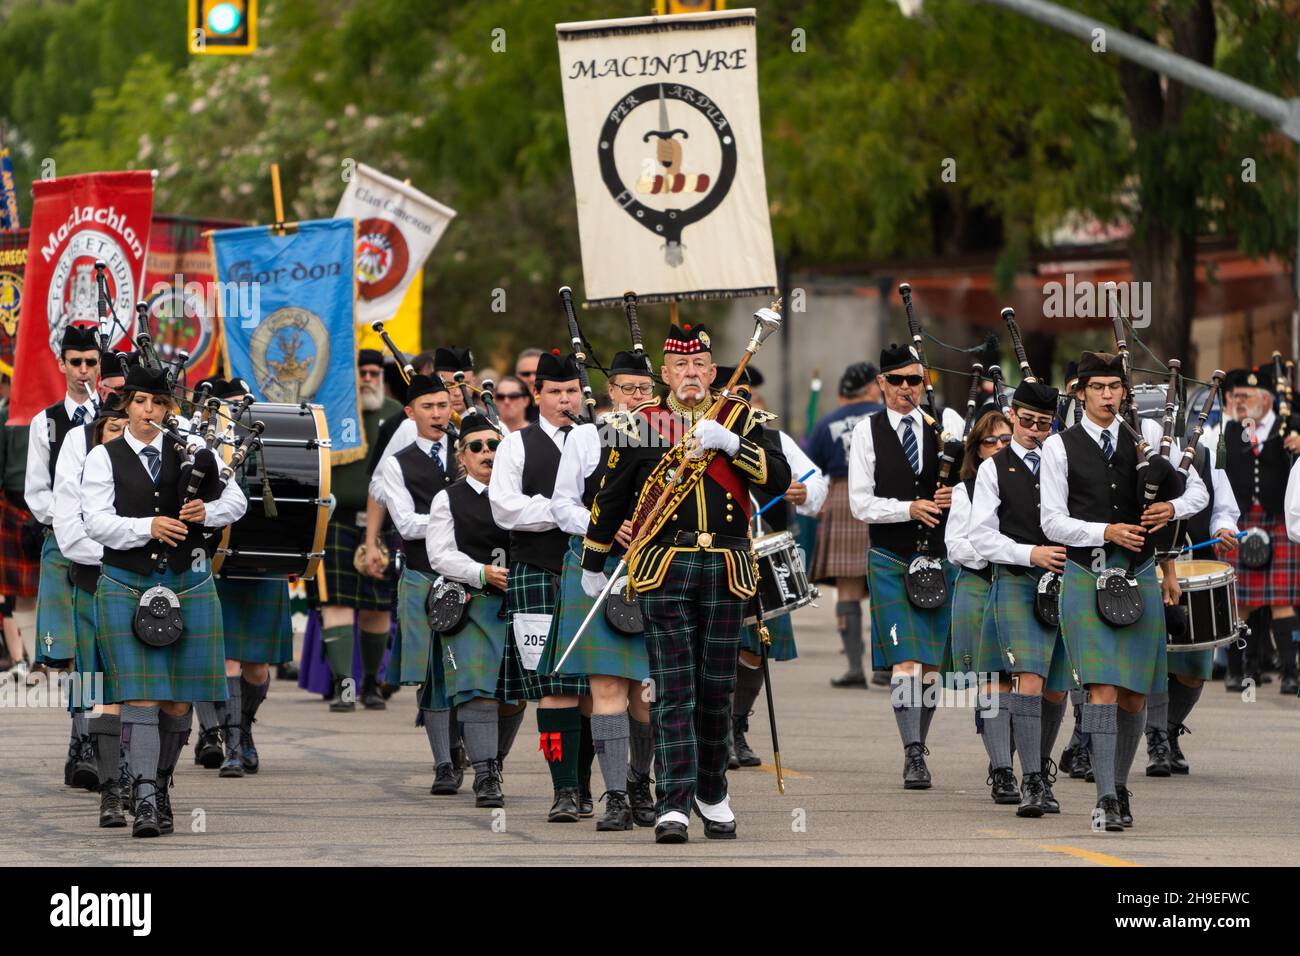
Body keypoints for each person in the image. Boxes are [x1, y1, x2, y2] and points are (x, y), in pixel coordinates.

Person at [581, 323, 791, 844]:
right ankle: (673, 801)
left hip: (727, 565)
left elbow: (780, 479)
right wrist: (593, 559)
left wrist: (731, 446)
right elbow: (608, 496)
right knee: (672, 689)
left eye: (700, 365)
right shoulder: (638, 426)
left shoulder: (740, 419)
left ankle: (712, 792)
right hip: (664, 565)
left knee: (715, 689)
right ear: (666, 374)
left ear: (712, 371)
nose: (691, 374)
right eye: (681, 367)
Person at [1039, 351, 1207, 831]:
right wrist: (1105, 531)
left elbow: (1198, 492)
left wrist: (1170, 510)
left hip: (1139, 573)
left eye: (1115, 387)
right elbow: (1051, 520)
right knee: (1102, 689)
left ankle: (1119, 781)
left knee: (1135, 694)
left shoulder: (1149, 436)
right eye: (1098, 387)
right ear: (1080, 392)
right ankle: (1106, 796)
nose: (1108, 395)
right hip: (1087, 573)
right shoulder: (1059, 447)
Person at [82, 364, 248, 837]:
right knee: (140, 695)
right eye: (138, 402)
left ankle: (157, 782)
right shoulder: (103, 457)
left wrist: (207, 511)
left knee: (177, 702)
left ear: (168, 408)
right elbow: (95, 521)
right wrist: (146, 527)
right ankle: (147, 800)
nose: (147, 411)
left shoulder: (194, 449)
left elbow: (237, 502)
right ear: (126, 404)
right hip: (125, 582)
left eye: (156, 403)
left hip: (189, 583)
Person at [543, 350, 658, 830]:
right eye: (627, 388)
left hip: (656, 567)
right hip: (596, 564)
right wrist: (605, 528)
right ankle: (614, 798)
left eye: (644, 390)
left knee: (646, 693)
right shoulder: (586, 438)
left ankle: (639, 782)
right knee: (607, 686)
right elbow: (562, 505)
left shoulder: (670, 433)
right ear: (610, 391)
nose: (636, 397)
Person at [490, 350, 595, 822]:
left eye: (571, 390)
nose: (564, 399)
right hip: (538, 571)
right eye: (554, 392)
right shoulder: (517, 444)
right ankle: (565, 791)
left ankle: (591, 785)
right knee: (553, 686)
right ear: (538, 395)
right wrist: (564, 510)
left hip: (592, 573)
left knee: (596, 686)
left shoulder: (599, 439)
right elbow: (505, 509)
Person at [847, 344, 957, 790]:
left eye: (915, 380)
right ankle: (913, 753)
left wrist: (957, 494)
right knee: (906, 664)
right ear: (882, 384)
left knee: (931, 668)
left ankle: (918, 743)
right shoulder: (866, 431)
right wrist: (909, 508)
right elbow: (860, 503)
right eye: (897, 381)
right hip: (891, 558)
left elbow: (977, 481)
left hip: (940, 558)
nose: (907, 389)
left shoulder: (946, 426)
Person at [713, 366, 828, 769]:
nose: (742, 400)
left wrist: (804, 491)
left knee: (757, 649)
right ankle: (717, 731)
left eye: (746, 393)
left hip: (764, 556)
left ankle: (737, 726)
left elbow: (817, 481)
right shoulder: (700, 438)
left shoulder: (774, 438)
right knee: (718, 649)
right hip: (716, 555)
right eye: (732, 392)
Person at [969, 380, 1074, 818]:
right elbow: (980, 537)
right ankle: (1031, 780)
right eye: (1027, 421)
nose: (1033, 430)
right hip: (1018, 578)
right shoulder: (995, 468)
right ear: (1012, 414)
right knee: (1027, 679)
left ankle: (1040, 771)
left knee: (1055, 689)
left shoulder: (1065, 461)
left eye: (1043, 423)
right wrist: (1030, 553)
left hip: (1069, 583)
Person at [424, 411, 527, 807]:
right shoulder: (447, 498)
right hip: (471, 603)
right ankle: (485, 775)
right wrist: (480, 572)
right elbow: (440, 554)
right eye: (477, 447)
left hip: (520, 604)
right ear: (461, 456)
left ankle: (494, 762)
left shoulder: (521, 492)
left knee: (514, 697)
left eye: (494, 445)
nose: (487, 453)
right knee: (477, 693)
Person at [372, 373, 464, 793]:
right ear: (410, 413)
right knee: (434, 674)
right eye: (427, 407)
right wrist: (461, 517)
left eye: (443, 405)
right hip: (422, 573)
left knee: (475, 671)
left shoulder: (475, 446)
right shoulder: (396, 462)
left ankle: (479, 754)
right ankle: (444, 762)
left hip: (474, 574)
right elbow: (407, 525)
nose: (437, 413)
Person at [26, 324, 103, 787]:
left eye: (91, 362)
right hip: (62, 540)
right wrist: (70, 522)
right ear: (62, 364)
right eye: (75, 362)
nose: (83, 371)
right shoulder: (47, 422)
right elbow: (36, 491)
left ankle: (92, 740)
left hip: (106, 542)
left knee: (97, 645)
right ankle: (82, 741)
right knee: (73, 651)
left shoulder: (113, 417)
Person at [207, 378, 293, 778]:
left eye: (247, 403)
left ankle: (243, 726)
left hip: (263, 557)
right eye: (235, 404)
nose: (244, 411)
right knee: (225, 658)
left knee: (256, 666)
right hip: (221, 563)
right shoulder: (203, 441)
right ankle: (233, 744)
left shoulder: (270, 443)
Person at [1145, 418, 1240, 775]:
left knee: (1194, 669)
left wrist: (1224, 529)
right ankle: (1156, 740)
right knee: (1153, 661)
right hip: (1144, 569)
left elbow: (1224, 509)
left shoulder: (1202, 456)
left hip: (1196, 568)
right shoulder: (1130, 461)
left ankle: (1168, 730)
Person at [53, 397, 130, 826]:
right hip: (90, 572)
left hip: (141, 580)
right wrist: (123, 551)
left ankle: (140, 777)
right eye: (114, 424)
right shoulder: (75, 444)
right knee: (91, 675)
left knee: (137, 687)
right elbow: (66, 523)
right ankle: (87, 751)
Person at [313, 350, 403, 712]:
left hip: (384, 523)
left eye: (373, 372)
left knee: (377, 607)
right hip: (335, 521)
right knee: (337, 604)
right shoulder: (331, 412)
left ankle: (370, 684)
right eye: (360, 373)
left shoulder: (396, 414)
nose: (367, 378)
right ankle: (343, 686)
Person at [945, 407, 1018, 805]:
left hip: (1021, 585)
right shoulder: (965, 490)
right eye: (990, 440)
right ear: (977, 449)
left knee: (1026, 682)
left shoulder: (1030, 482)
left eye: (1006, 439)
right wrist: (1001, 554)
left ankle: (1008, 758)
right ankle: (1003, 770)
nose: (999, 447)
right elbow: (956, 545)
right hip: (979, 585)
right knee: (993, 681)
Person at [1219, 367, 1300, 695]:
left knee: (1283, 600)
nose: (1238, 401)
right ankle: (1240, 669)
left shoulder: (1287, 429)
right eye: (1236, 396)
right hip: (1241, 522)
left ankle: (1291, 672)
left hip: (1276, 519)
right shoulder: (1230, 429)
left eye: (1245, 397)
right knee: (1241, 602)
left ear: (1265, 400)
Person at [807, 361, 884, 688]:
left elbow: (811, 468)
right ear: (870, 387)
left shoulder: (827, 423)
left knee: (849, 588)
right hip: (884, 496)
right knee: (886, 584)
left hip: (841, 496)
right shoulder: (885, 417)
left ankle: (855, 667)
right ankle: (887, 667)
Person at [515, 348, 543, 424]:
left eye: (537, 373)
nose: (532, 379)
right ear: (516, 376)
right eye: (525, 374)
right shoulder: (504, 405)